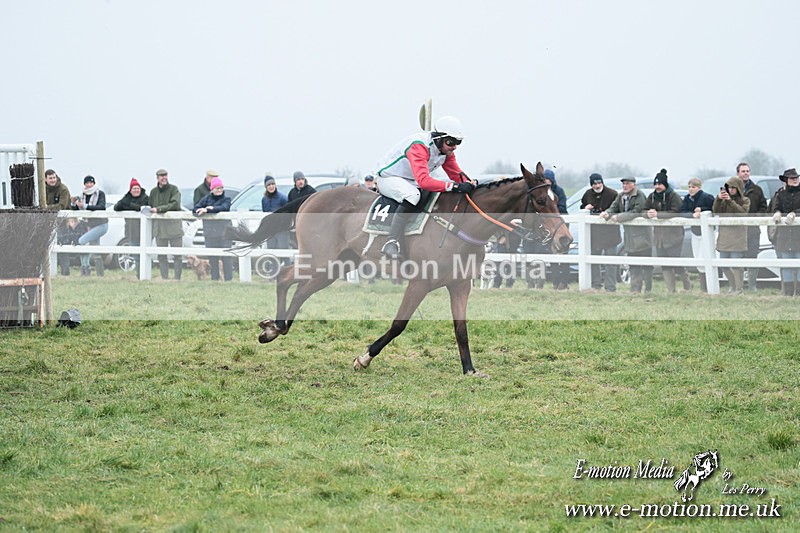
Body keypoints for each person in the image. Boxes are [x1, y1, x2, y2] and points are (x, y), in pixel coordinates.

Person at [375, 115, 476, 259]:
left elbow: (456, 174)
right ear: (438, 138)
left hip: (410, 180)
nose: (454, 147)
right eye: (450, 142)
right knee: (413, 196)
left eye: (458, 142)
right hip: (388, 178)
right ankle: (391, 241)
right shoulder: (419, 146)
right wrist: (455, 187)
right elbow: (424, 181)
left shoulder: (446, 151)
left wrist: (470, 184)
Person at [601, 177, 652, 293]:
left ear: (633, 185)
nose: (625, 186)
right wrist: (607, 213)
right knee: (633, 265)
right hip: (629, 236)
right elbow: (614, 207)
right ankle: (635, 289)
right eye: (624, 184)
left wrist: (619, 217)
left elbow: (636, 211)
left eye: (628, 184)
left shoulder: (640, 195)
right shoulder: (621, 196)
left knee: (647, 266)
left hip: (642, 236)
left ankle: (648, 289)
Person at [643, 169, 686, 293]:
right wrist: (648, 214)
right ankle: (671, 290)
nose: (657, 187)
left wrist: (659, 214)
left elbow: (676, 212)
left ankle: (687, 285)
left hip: (674, 236)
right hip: (659, 237)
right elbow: (643, 210)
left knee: (676, 264)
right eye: (655, 184)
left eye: (660, 184)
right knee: (664, 265)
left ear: (665, 185)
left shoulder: (674, 196)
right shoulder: (651, 197)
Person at [580, 173, 620, 291]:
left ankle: (610, 287)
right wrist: (585, 209)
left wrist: (608, 213)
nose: (597, 186)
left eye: (599, 183)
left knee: (610, 262)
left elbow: (617, 209)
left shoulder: (612, 194)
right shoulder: (587, 194)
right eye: (594, 184)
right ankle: (595, 285)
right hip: (594, 234)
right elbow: (582, 207)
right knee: (593, 261)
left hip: (610, 234)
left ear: (602, 182)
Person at [712, 176, 750, 295]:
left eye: (734, 187)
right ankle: (732, 286)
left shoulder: (745, 200)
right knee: (723, 264)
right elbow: (716, 211)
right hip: (724, 236)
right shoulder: (722, 200)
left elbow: (742, 213)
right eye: (729, 187)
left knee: (736, 264)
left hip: (738, 236)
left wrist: (731, 202)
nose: (731, 190)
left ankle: (739, 289)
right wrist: (718, 199)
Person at [736, 162, 768, 292]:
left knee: (752, 256)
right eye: (743, 171)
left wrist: (756, 217)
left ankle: (752, 285)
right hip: (736, 230)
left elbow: (764, 207)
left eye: (747, 171)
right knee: (737, 257)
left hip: (753, 229)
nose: (745, 173)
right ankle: (738, 286)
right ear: (738, 173)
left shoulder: (756, 190)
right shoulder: (731, 189)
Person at [194, 176, 233, 281]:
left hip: (225, 233)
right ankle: (214, 279)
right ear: (212, 189)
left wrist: (209, 210)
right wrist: (201, 210)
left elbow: (224, 208)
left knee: (226, 258)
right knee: (213, 258)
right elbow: (195, 208)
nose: (219, 190)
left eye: (221, 188)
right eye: (217, 188)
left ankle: (229, 280)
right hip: (210, 233)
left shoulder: (227, 199)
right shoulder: (206, 199)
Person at [680, 177, 715, 292]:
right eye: (689, 187)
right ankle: (703, 287)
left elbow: (714, 210)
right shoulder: (687, 199)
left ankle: (708, 287)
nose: (691, 189)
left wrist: (702, 211)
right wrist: (692, 215)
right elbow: (682, 212)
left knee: (705, 257)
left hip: (706, 233)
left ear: (699, 187)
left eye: (693, 187)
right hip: (695, 232)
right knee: (698, 258)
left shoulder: (707, 197)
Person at [149, 169, 184, 280]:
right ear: (157, 178)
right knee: (161, 255)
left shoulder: (174, 189)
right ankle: (164, 278)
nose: (164, 178)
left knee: (177, 255)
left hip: (174, 228)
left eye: (165, 175)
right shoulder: (153, 192)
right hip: (159, 228)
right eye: (161, 176)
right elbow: (150, 206)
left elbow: (174, 204)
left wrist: (159, 209)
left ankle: (177, 278)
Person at [70, 175, 108, 276]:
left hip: (101, 224)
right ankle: (99, 274)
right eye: (87, 183)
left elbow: (101, 207)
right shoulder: (82, 195)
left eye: (91, 183)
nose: (89, 185)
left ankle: (85, 268)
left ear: (94, 183)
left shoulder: (100, 193)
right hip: (90, 225)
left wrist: (85, 206)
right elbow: (76, 209)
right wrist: (74, 203)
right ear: (85, 184)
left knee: (81, 241)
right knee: (95, 249)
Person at [770, 168, 800, 296]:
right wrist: (777, 213)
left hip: (798, 234)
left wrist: (794, 214)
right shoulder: (780, 194)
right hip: (784, 234)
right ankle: (787, 292)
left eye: (796, 178)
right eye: (792, 178)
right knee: (786, 263)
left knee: (799, 264)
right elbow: (774, 207)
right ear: (786, 180)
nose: (795, 180)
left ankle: (798, 292)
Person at [543, 169, 570, 289]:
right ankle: (555, 282)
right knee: (552, 254)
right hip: (548, 227)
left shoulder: (559, 191)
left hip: (560, 226)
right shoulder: (540, 192)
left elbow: (563, 208)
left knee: (564, 254)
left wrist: (552, 210)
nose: (547, 182)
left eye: (549, 179)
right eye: (545, 179)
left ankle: (564, 282)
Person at [114, 178, 150, 247]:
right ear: (130, 190)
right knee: (134, 253)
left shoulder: (145, 198)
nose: (136, 190)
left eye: (138, 188)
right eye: (134, 188)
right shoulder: (126, 198)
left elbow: (141, 208)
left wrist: (129, 205)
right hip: (131, 231)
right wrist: (124, 203)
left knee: (145, 254)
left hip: (143, 230)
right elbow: (116, 207)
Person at [261, 174, 289, 250]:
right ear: (266, 187)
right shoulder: (264, 200)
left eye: (273, 184)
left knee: (284, 252)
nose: (271, 186)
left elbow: (288, 213)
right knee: (271, 253)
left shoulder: (283, 198)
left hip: (281, 230)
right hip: (270, 231)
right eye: (269, 185)